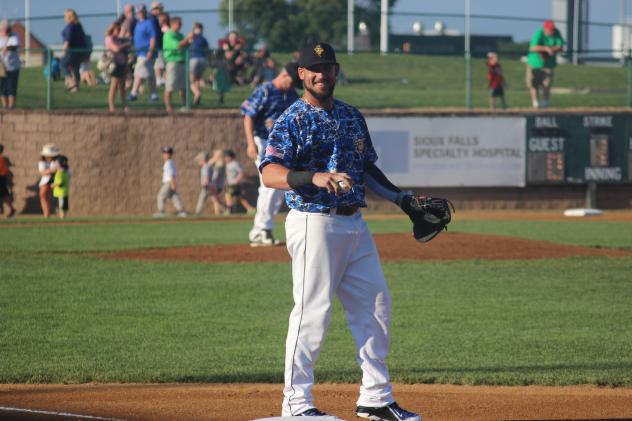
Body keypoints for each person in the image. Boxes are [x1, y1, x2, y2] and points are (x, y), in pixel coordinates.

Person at [259, 42, 422, 420]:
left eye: (328, 67)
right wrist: (312, 176)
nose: (322, 73)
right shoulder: (292, 119)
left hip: (354, 224)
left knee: (376, 306)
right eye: (314, 68)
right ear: (301, 74)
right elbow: (269, 173)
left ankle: (375, 398)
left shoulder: (351, 116)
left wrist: (403, 200)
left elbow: (366, 169)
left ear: (336, 71)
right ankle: (296, 404)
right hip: (313, 220)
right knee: (312, 312)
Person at [241, 62, 301, 246]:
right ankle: (263, 229)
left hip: (284, 145)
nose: (292, 86)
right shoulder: (265, 90)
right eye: (291, 81)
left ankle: (259, 230)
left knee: (280, 188)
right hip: (264, 141)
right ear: (283, 75)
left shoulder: (291, 94)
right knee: (269, 185)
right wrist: (251, 143)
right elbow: (248, 115)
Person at [526, 19, 565, 109]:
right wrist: (546, 49)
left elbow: (560, 46)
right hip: (534, 63)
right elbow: (532, 48)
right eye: (549, 29)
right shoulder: (539, 33)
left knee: (546, 84)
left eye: (552, 29)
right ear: (545, 28)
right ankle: (535, 103)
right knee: (533, 83)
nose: (551, 31)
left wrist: (553, 49)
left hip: (548, 64)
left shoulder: (556, 32)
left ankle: (545, 103)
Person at [128, 3, 159, 102]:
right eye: (138, 12)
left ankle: (134, 93)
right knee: (150, 74)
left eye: (141, 12)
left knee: (138, 72)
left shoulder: (149, 23)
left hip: (146, 53)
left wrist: (150, 50)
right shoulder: (138, 23)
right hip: (140, 52)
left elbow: (153, 37)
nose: (140, 14)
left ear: (145, 12)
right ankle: (154, 95)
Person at [162, 16, 192, 112]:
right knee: (170, 85)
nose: (180, 26)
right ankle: (168, 106)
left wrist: (189, 41)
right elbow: (178, 45)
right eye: (179, 24)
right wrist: (187, 38)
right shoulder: (168, 35)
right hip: (173, 63)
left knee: (184, 86)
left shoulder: (180, 35)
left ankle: (185, 105)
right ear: (173, 24)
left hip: (183, 62)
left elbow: (185, 44)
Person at [105, 21, 132, 112]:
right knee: (114, 86)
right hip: (114, 64)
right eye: (118, 29)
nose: (119, 31)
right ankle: (111, 106)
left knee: (122, 87)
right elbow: (116, 49)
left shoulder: (118, 39)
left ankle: (124, 105)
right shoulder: (109, 38)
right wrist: (125, 45)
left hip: (122, 63)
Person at [155, 146, 186, 217]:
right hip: (170, 182)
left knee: (160, 196)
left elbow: (171, 174)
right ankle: (182, 212)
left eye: (167, 153)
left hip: (168, 183)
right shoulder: (170, 162)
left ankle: (161, 212)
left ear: (171, 154)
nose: (165, 155)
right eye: (164, 153)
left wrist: (172, 183)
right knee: (174, 197)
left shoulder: (168, 163)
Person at [61, 9, 88, 92]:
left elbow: (67, 40)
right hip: (81, 52)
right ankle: (77, 86)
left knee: (63, 64)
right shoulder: (79, 25)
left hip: (73, 51)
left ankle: (72, 82)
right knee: (75, 68)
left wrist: (63, 51)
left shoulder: (70, 26)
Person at [223, 149, 255, 214]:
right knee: (240, 197)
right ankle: (250, 208)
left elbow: (241, 172)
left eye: (226, 157)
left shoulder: (235, 163)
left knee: (228, 195)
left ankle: (229, 210)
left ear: (230, 157)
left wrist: (237, 180)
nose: (225, 158)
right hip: (230, 184)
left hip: (235, 184)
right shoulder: (227, 164)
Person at [0, 20, 20, 110]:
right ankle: (4, 105)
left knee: (11, 86)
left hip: (12, 66)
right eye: (4, 30)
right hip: (1, 66)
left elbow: (15, 45)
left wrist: (6, 48)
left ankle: (11, 106)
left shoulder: (14, 35)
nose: (6, 32)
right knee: (2, 86)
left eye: (7, 29)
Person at [189, 22, 209, 106]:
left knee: (191, 80)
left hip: (194, 59)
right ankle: (196, 100)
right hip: (203, 60)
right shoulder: (204, 39)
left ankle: (197, 93)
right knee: (197, 79)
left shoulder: (192, 37)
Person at [38, 144, 60, 218]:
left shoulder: (56, 162)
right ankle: (46, 214)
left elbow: (57, 170)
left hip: (53, 180)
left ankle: (48, 214)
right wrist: (51, 170)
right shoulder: (42, 162)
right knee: (43, 196)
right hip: (45, 181)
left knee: (49, 197)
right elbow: (42, 172)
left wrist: (50, 171)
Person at [150, 2, 167, 87]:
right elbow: (155, 34)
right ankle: (158, 79)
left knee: (161, 63)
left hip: (159, 44)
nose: (161, 11)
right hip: (157, 45)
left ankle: (160, 78)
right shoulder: (153, 19)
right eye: (159, 9)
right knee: (159, 63)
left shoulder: (155, 19)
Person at [207, 149, 227, 215]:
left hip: (216, 184)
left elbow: (216, 176)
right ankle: (225, 209)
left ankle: (218, 213)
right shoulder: (218, 164)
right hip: (216, 184)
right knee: (215, 199)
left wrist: (210, 164)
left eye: (214, 155)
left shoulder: (220, 165)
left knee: (214, 199)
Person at [0, 144, 16, 217]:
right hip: (2, 179)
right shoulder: (2, 159)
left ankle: (10, 209)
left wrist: (9, 182)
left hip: (1, 179)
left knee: (4, 195)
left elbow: (4, 171)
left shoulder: (1, 159)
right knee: (4, 195)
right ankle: (10, 209)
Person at [53, 155, 71, 219]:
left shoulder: (60, 172)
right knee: (64, 206)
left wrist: (53, 185)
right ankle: (63, 217)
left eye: (56, 163)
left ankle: (62, 218)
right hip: (65, 191)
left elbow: (59, 182)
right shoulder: (66, 172)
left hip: (60, 192)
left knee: (61, 206)